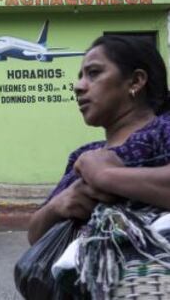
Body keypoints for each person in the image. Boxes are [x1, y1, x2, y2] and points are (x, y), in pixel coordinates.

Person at [26, 35, 170, 298]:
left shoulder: (163, 129)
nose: (79, 86)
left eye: (93, 73)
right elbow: (36, 236)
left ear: (136, 81)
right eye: (80, 76)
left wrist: (106, 175)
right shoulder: (84, 155)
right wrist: (61, 205)